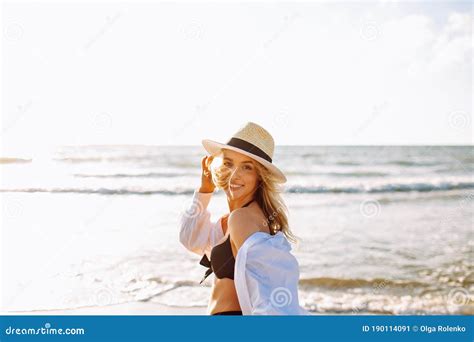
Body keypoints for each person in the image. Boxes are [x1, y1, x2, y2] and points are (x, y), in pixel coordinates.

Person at [179, 122, 309, 315]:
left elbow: (270, 293)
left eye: (247, 167)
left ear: (260, 176)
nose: (234, 175)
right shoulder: (231, 220)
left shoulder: (242, 219)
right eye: (229, 163)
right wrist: (205, 189)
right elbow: (190, 240)